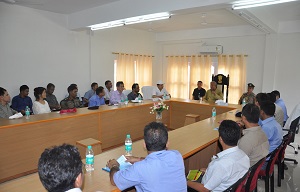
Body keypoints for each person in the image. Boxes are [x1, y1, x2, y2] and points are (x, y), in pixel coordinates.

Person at [107, 122, 187, 192]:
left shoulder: (139, 168)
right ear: (167, 143)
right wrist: (138, 159)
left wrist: (114, 165)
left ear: (144, 145)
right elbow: (158, 162)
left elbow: (115, 180)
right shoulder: (177, 156)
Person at [187, 120, 250, 191]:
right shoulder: (245, 156)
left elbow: (204, 189)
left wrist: (186, 182)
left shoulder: (219, 164)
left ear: (221, 139)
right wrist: (208, 171)